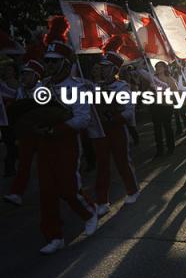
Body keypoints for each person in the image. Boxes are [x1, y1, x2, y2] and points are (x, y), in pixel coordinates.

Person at [37, 34, 97, 254]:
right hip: (44, 143)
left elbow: (83, 118)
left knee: (68, 188)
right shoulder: (41, 86)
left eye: (54, 61)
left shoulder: (78, 87)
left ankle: (89, 213)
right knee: (46, 192)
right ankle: (54, 236)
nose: (49, 65)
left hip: (67, 142)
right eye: (47, 61)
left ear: (65, 63)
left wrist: (57, 128)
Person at [93, 50, 140, 217]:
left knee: (122, 161)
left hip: (116, 128)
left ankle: (132, 190)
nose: (103, 70)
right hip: (100, 130)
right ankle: (101, 201)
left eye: (106, 68)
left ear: (114, 70)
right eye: (102, 67)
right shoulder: (95, 87)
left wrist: (113, 116)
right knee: (102, 165)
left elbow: (128, 110)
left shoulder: (121, 87)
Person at [3, 60, 44, 206]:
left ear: (35, 76)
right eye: (23, 74)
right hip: (27, 134)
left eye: (27, 74)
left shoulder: (43, 90)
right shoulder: (21, 90)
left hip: (42, 134)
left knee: (46, 164)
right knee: (24, 164)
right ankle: (17, 193)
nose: (23, 77)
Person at [150, 61, 177, 158]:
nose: (157, 68)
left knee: (167, 127)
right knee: (157, 129)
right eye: (156, 66)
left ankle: (171, 148)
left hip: (166, 106)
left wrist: (165, 93)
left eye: (159, 66)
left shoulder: (170, 79)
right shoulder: (153, 79)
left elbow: (175, 92)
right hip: (155, 106)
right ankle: (159, 150)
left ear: (165, 68)